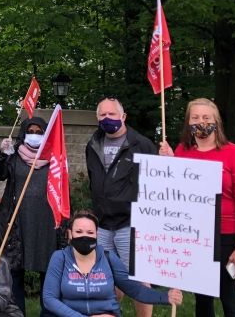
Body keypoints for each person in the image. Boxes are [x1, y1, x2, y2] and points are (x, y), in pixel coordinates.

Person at [159, 98, 235, 317]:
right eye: (195, 117)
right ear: (188, 122)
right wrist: (169, 163)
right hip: (195, 235)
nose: (201, 122)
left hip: (226, 235)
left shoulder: (234, 153)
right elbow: (175, 193)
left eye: (206, 117)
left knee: (229, 296)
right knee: (202, 297)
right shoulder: (182, 150)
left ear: (216, 121)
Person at [85, 97, 157, 317]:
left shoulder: (142, 145)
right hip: (103, 225)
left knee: (138, 280)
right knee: (105, 280)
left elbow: (156, 184)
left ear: (123, 116)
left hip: (131, 223)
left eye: (112, 114)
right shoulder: (92, 145)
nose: (107, 119)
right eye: (103, 115)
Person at [42, 210, 182, 317]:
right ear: (70, 234)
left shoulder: (108, 258)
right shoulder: (60, 258)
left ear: (96, 234)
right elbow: (49, 299)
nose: (85, 235)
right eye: (79, 231)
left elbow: (135, 289)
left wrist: (165, 297)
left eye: (90, 232)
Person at [0, 116, 55, 314]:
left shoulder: (54, 157)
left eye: (39, 132)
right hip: (17, 222)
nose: (34, 135)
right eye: (30, 131)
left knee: (49, 271)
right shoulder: (14, 155)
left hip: (46, 224)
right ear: (23, 133)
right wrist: (1, 153)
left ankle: (48, 312)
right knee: (15, 271)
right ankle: (17, 313)